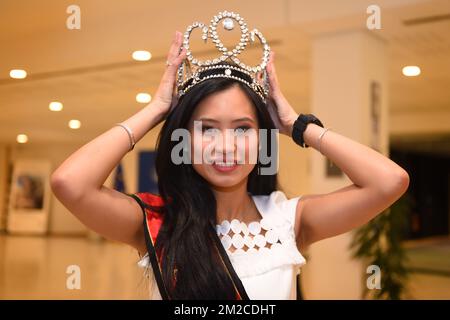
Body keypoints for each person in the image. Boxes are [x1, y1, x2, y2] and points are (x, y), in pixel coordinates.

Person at [51, 21, 409, 300]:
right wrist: (157, 108)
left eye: (242, 130)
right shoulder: (158, 223)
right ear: (184, 139)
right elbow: (70, 183)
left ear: (262, 139)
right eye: (207, 129)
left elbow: (389, 181)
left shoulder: (287, 220)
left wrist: (297, 125)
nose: (226, 146)